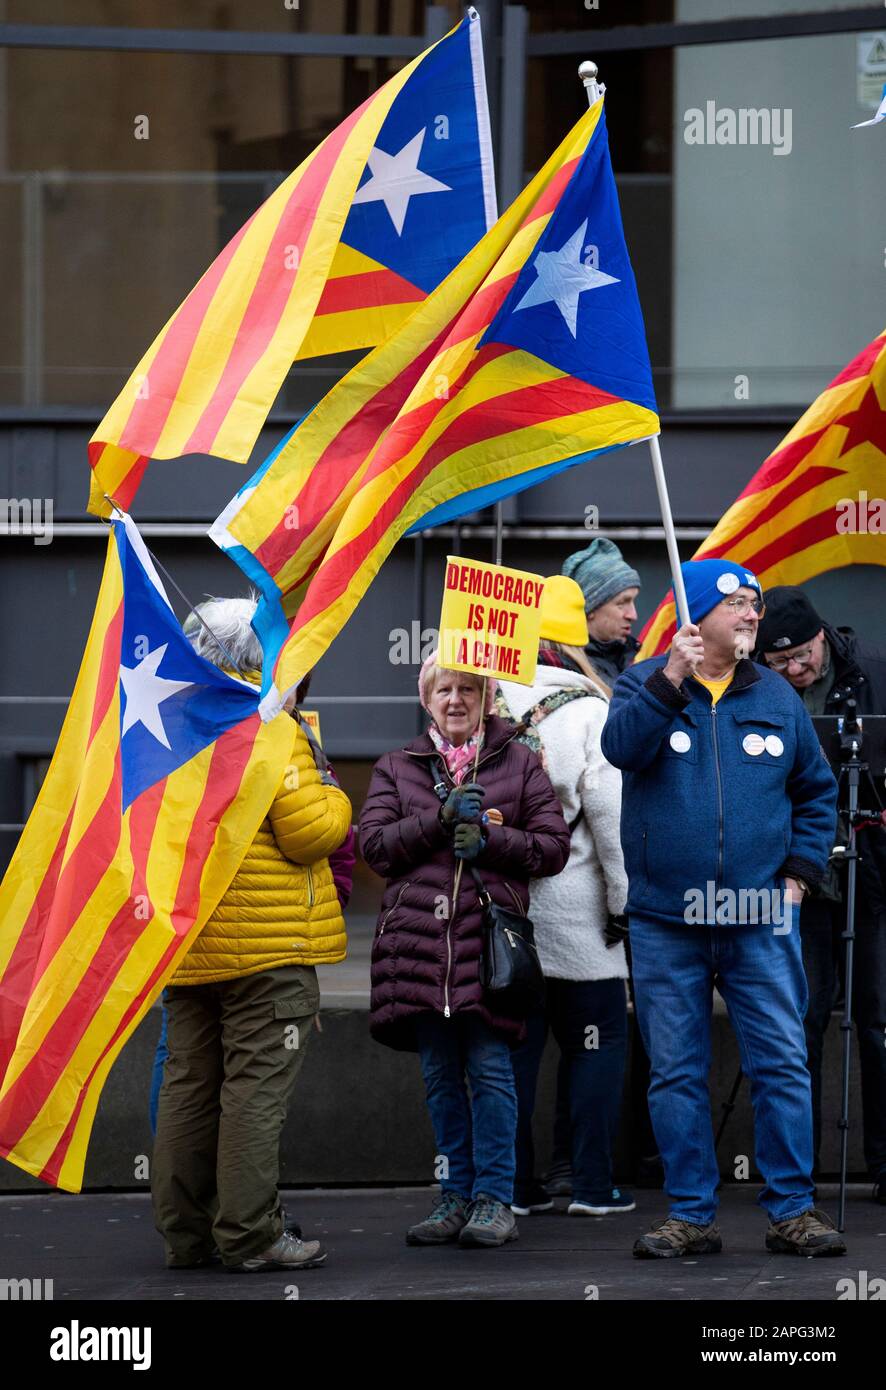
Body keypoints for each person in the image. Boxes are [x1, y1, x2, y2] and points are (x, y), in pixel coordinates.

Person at [601, 559, 846, 1258]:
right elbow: (621, 748)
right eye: (736, 604)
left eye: (755, 605)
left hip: (759, 914)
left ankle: (792, 1210)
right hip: (665, 919)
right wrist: (670, 680)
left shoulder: (776, 695)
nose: (750, 616)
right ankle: (690, 1215)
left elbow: (815, 793)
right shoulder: (644, 683)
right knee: (676, 1070)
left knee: (782, 1063)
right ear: (696, 615)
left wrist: (797, 878)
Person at [151, 598, 353, 1273]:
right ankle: (251, 1234)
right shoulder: (268, 729)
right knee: (252, 1092)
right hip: (268, 953)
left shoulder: (164, 730)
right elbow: (309, 833)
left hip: (186, 944)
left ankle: (187, 1233)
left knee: (189, 1086)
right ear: (254, 660)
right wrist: (337, 793)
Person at [359, 653, 570, 1248]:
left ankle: (493, 1200)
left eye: (469, 690)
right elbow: (374, 847)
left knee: (492, 1072)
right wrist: (438, 820)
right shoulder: (396, 768)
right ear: (427, 700)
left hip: (487, 950)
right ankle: (453, 1194)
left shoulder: (521, 763)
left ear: (486, 699)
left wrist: (493, 840)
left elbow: (553, 849)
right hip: (419, 948)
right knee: (440, 1077)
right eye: (444, 689)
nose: (456, 700)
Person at [498, 576, 634, 1218]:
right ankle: (591, 1184)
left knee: (514, 1054)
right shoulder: (591, 710)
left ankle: (515, 1188)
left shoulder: (489, 702)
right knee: (597, 1045)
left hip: (505, 918)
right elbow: (609, 815)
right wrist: (621, 904)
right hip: (580, 919)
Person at [756, 586, 886, 1203]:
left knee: (878, 1018)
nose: (794, 669)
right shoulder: (758, 687)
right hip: (797, 878)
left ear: (821, 636)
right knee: (799, 1021)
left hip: (871, 875)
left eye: (802, 656)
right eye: (778, 663)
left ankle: (884, 1163)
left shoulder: (870, 675)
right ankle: (794, 1176)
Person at [562, 536, 642, 685]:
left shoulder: (636, 659)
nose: (633, 615)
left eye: (633, 601)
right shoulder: (565, 670)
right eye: (621, 603)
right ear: (590, 608)